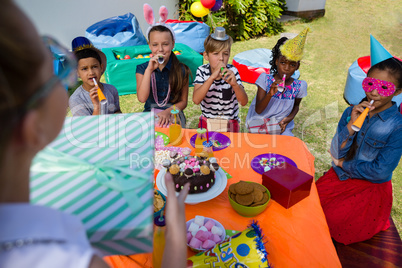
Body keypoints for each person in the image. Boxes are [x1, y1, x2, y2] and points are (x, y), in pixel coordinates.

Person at [0, 1, 189, 267]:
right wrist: (176, 226)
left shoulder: (59, 204)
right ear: (34, 128)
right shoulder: (71, 257)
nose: (88, 73)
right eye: (61, 66)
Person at [316, 54, 402, 245]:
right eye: (370, 84)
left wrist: (344, 164)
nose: (374, 93)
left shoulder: (397, 126)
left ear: (397, 92)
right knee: (309, 207)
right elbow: (336, 152)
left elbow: (381, 171)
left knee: (331, 219)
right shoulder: (350, 112)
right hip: (340, 176)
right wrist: (350, 127)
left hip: (370, 187)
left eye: (384, 87)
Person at [245, 28, 309, 136]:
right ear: (276, 61)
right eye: (283, 63)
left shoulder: (299, 86)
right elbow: (259, 109)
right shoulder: (264, 80)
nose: (286, 68)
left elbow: (296, 106)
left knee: (286, 147)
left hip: (282, 126)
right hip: (259, 124)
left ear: (297, 66)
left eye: (292, 65)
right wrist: (270, 93)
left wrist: (287, 120)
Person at [136, 4, 190, 128]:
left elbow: (183, 102)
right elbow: (142, 98)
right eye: (155, 45)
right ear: (150, 46)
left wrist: (168, 111)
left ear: (172, 44)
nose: (160, 49)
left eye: (165, 44)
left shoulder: (182, 70)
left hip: (173, 112)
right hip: (149, 113)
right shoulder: (142, 69)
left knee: (173, 134)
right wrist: (149, 70)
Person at [192, 27, 248, 133]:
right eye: (216, 53)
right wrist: (212, 77)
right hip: (207, 121)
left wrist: (235, 85)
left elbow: (243, 102)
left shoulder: (233, 71)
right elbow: (196, 100)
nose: (221, 58)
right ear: (206, 55)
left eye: (225, 54)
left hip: (230, 123)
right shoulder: (202, 71)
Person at [69, 48, 121, 116]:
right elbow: (88, 126)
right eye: (84, 69)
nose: (91, 73)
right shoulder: (76, 99)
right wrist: (97, 107)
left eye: (94, 67)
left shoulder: (111, 90)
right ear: (77, 73)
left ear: (101, 68)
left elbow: (117, 111)